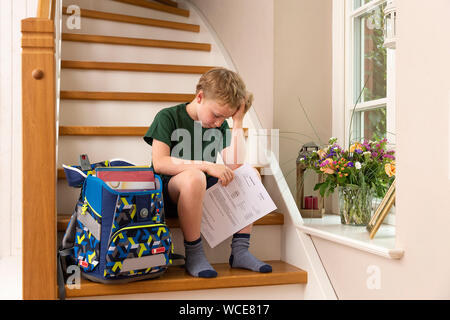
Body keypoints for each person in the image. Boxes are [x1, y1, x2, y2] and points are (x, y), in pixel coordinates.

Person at [143, 67, 272, 278]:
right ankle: (194, 252)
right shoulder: (168, 117)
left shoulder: (219, 125)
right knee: (195, 176)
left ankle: (240, 250)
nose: (219, 122)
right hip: (167, 193)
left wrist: (237, 122)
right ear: (200, 97)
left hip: (199, 194)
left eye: (225, 118)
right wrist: (205, 165)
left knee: (251, 175)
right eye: (217, 115)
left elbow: (235, 164)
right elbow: (160, 163)